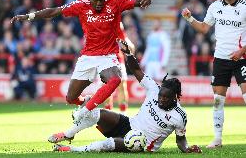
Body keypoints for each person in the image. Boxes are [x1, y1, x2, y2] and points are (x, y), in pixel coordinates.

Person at [10, 0, 152, 122]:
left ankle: (85, 111)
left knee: (115, 80)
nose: (98, 3)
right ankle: (87, 103)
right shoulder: (80, 5)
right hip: (88, 57)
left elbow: (139, 2)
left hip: (108, 55)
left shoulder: (116, 1)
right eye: (95, 0)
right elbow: (54, 11)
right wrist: (28, 16)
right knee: (71, 98)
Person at [48, 39, 202, 154]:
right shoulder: (154, 89)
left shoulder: (180, 116)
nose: (161, 99)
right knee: (97, 113)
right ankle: (68, 134)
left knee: (108, 144)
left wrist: (187, 148)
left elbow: (180, 140)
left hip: (141, 142)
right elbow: (137, 70)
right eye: (161, 95)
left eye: (165, 98)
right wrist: (128, 53)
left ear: (175, 97)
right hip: (129, 125)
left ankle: (73, 150)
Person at [181, 0, 246, 148]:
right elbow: (203, 28)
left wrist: (241, 51)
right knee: (218, 99)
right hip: (221, 58)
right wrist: (189, 18)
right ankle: (217, 139)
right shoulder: (215, 7)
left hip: (242, 57)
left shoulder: (245, 8)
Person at [104, 22, 134, 114]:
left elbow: (129, 45)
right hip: (105, 61)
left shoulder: (117, 25)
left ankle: (121, 113)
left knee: (117, 87)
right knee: (108, 88)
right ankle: (112, 113)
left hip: (115, 60)